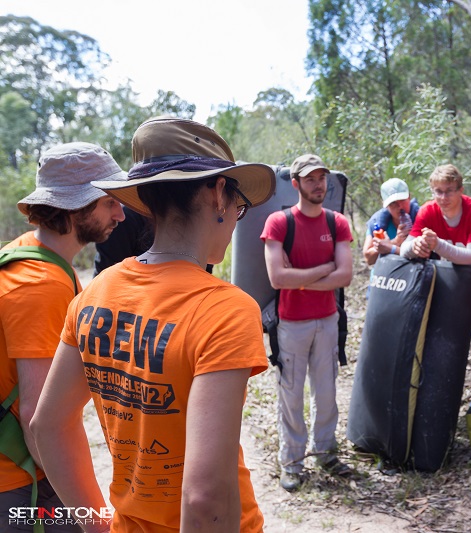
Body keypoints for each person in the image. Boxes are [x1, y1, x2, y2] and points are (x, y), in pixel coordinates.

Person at [30, 117, 275, 532]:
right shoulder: (225, 309)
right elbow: (204, 497)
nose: (237, 215)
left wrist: (96, 523)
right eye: (240, 204)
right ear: (218, 194)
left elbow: (47, 426)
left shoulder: (96, 292)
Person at [0, 142, 126, 532]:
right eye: (110, 202)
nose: (121, 214)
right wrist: (97, 520)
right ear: (77, 207)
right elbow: (40, 424)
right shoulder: (41, 285)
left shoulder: (30, 253)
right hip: (21, 482)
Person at [261, 153, 354, 492]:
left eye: (322, 178)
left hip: (327, 321)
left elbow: (345, 275)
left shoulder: (337, 223)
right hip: (292, 323)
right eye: (311, 179)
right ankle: (292, 463)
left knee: (327, 392)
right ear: (296, 183)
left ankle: (326, 453)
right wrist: (321, 270)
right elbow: (276, 278)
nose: (319, 184)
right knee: (291, 395)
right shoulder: (279, 223)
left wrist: (297, 278)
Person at [401, 164, 471, 389]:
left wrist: (437, 244)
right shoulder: (428, 212)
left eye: (449, 190)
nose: (443, 197)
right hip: (467, 285)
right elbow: (405, 248)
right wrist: (417, 245)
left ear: (461, 190)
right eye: (438, 191)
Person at [362, 177, 420, 266]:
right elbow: (368, 259)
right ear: (385, 205)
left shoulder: (421, 216)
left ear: (409, 197)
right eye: (393, 203)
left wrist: (391, 247)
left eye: (402, 200)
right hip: (386, 275)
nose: (400, 206)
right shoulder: (378, 222)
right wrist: (396, 241)